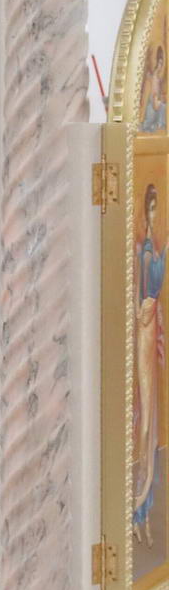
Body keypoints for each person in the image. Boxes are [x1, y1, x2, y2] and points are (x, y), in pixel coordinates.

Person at [134, 183, 166, 548]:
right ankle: (137, 505)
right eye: (151, 210)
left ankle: (145, 506)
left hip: (151, 329)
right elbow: (142, 302)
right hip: (143, 336)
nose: (154, 216)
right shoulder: (142, 254)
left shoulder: (154, 250)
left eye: (158, 210)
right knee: (143, 418)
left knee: (153, 417)